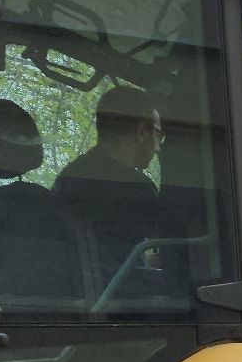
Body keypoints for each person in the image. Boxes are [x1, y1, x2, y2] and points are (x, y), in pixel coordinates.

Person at [55, 86, 167, 287]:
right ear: (141, 131)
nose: (158, 149)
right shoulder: (136, 188)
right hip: (120, 300)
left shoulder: (68, 177)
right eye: (158, 135)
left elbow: (103, 256)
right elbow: (174, 252)